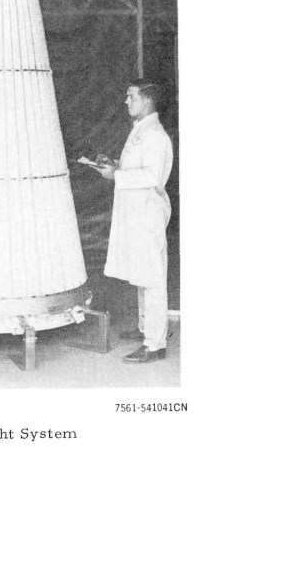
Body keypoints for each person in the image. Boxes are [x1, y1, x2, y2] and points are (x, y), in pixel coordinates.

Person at [97, 80, 173, 364]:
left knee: (152, 280)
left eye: (131, 97)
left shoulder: (154, 134)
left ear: (147, 100)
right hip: (137, 214)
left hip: (147, 215)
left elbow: (153, 176)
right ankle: (144, 329)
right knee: (143, 275)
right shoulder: (141, 130)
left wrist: (115, 176)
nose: (126, 102)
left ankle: (155, 344)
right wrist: (116, 166)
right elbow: (138, 168)